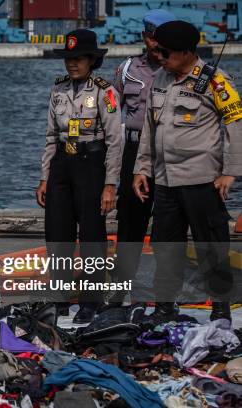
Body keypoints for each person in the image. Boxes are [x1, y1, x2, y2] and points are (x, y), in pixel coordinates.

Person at [133, 21, 242, 322]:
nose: (158, 57)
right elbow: (149, 128)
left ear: (185, 52)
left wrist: (230, 172)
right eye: (156, 51)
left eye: (165, 52)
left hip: (203, 181)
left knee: (211, 247)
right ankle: (165, 308)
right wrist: (141, 168)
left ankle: (221, 310)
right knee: (166, 247)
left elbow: (236, 125)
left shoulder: (215, 81)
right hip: (165, 181)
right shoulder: (159, 79)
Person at [36, 30, 122, 324]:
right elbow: (50, 136)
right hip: (62, 162)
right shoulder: (58, 89)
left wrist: (110, 184)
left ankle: (91, 300)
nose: (72, 64)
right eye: (69, 59)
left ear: (91, 60)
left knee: (91, 235)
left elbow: (115, 141)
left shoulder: (104, 91)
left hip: (91, 163)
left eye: (79, 59)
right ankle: (59, 297)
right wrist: (45, 177)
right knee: (57, 232)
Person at [109, 9, 175, 305]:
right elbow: (111, 114)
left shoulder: (180, 70)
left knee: (168, 226)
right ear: (144, 37)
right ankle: (120, 290)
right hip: (134, 153)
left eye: (158, 37)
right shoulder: (127, 70)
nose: (153, 43)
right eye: (149, 37)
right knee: (130, 224)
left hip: (169, 154)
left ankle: (166, 296)